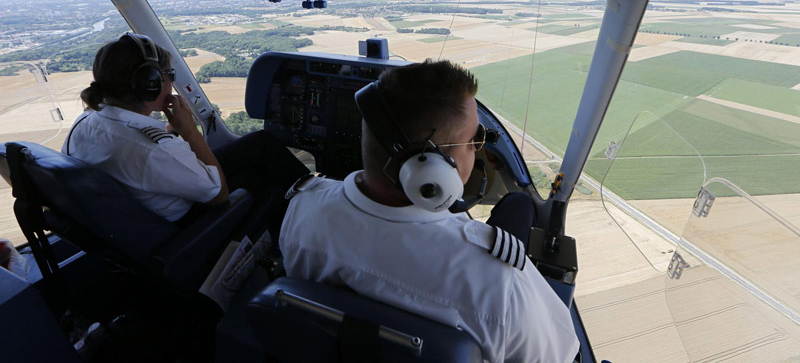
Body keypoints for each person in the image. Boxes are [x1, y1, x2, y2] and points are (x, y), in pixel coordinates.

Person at [279, 59, 580, 363]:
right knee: (519, 204)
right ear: (429, 168)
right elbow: (561, 355)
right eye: (473, 140)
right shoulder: (501, 285)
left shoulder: (301, 211)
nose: (478, 149)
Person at [63, 32, 309, 240]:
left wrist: (172, 131)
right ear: (150, 83)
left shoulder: (85, 122)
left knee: (260, 145)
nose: (171, 82)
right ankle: (310, 219)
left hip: (140, 215)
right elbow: (218, 194)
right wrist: (190, 131)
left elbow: (138, 153)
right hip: (185, 225)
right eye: (168, 75)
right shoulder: (153, 149)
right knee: (264, 180)